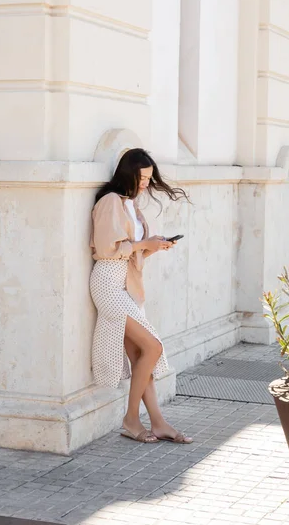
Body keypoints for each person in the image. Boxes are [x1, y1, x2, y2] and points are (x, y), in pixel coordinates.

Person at [89, 148, 193, 444]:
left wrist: (153, 246)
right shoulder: (110, 202)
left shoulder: (131, 205)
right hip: (108, 283)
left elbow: (132, 252)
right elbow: (107, 248)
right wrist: (142, 243)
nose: (146, 183)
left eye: (149, 178)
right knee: (153, 347)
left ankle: (157, 422)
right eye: (142, 177)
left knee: (140, 354)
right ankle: (131, 419)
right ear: (128, 174)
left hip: (128, 284)